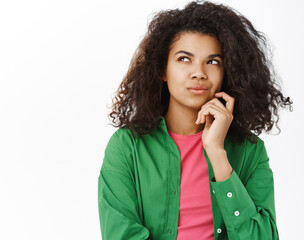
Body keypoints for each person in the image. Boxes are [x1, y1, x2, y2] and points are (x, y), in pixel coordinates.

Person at [98, 1, 293, 239]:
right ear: (163, 70)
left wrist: (217, 154)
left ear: (227, 72)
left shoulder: (250, 151)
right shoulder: (127, 147)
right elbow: (121, 234)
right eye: (184, 59)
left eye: (212, 62)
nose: (199, 72)